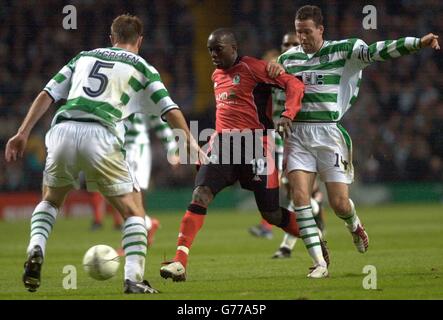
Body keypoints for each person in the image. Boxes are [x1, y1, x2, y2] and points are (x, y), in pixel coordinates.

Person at [4, 14, 202, 294]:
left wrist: (23, 132)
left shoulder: (82, 57)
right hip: (102, 133)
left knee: (50, 199)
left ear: (112, 38)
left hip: (63, 129)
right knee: (133, 211)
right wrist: (190, 143)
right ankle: (133, 279)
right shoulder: (143, 67)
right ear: (140, 41)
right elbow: (170, 109)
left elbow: (47, 93)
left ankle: (36, 246)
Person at [270, 5, 440, 273]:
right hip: (298, 136)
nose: (302, 37)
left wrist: (417, 43)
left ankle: (354, 224)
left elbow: (378, 51)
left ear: (320, 29)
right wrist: (278, 122)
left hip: (328, 134)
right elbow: (276, 97)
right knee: (300, 197)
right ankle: (319, 263)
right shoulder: (287, 60)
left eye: (307, 31)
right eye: (298, 32)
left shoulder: (343, 51)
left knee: (338, 204)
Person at [160, 28, 329, 281]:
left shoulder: (255, 68)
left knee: (271, 214)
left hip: (256, 147)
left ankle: (314, 237)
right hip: (223, 146)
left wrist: (288, 114)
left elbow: (293, 84)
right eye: (210, 50)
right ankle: (180, 262)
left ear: (233, 48)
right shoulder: (216, 75)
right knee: (200, 194)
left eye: (218, 49)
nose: (214, 55)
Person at [248, 32, 328, 260]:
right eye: (286, 44)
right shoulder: (274, 72)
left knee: (296, 193)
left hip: (306, 137)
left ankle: (287, 245)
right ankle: (315, 210)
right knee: (293, 194)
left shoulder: (309, 72)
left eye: (294, 43)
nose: (291, 47)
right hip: (277, 139)